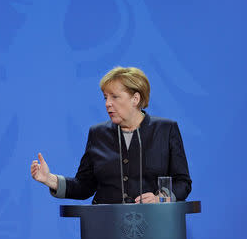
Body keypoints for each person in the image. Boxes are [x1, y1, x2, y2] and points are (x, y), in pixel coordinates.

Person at [31, 66, 191, 204]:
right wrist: (49, 179)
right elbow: (84, 186)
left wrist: (161, 198)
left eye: (114, 97)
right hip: (106, 228)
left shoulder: (165, 130)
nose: (108, 103)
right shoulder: (98, 134)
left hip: (154, 227)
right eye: (105, 97)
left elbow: (182, 183)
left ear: (135, 98)